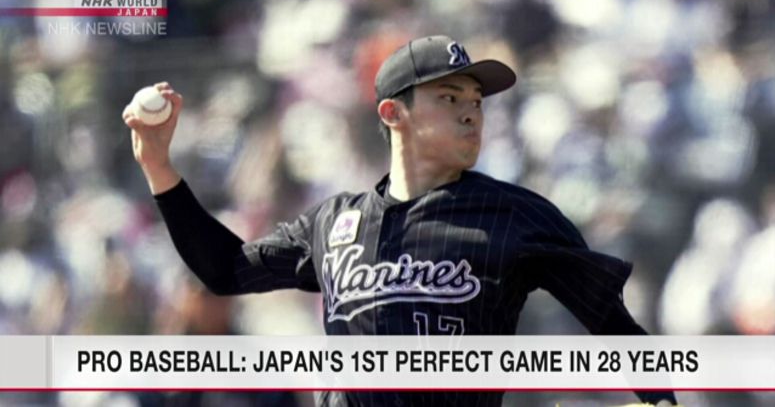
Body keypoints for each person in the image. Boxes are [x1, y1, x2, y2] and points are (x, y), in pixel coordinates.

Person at [124, 35, 677, 406]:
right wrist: (159, 166)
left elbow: (616, 330)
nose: (471, 111)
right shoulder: (333, 223)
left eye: (477, 101)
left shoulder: (516, 216)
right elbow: (224, 270)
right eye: (449, 96)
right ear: (393, 113)